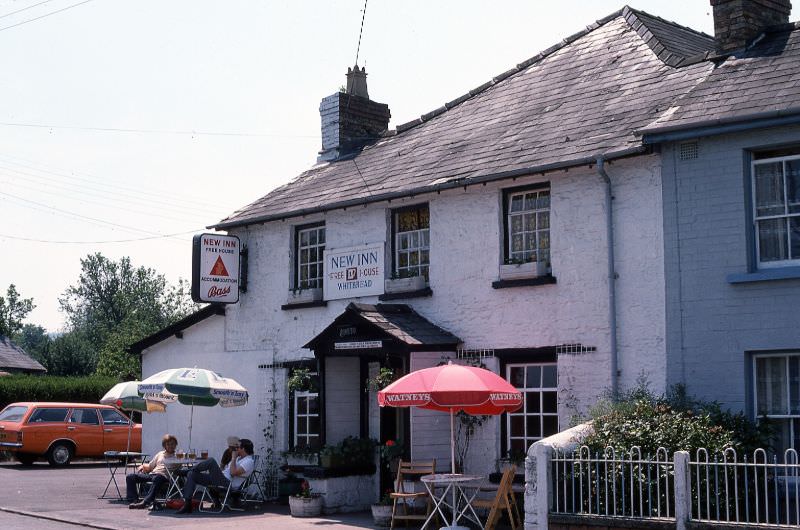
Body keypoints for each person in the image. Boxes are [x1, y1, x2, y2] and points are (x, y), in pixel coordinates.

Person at [176, 438, 255, 514]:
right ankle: (187, 504)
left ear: (243, 449)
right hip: (220, 479)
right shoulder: (239, 459)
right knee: (192, 474)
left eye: (238, 447)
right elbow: (226, 470)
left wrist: (233, 458)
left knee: (211, 461)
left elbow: (233, 473)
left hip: (228, 484)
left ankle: (188, 470)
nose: (236, 449)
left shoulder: (249, 461)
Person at [126, 434, 180, 509]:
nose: (171, 446)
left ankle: (145, 502)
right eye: (168, 444)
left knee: (157, 478)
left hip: (165, 477)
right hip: (153, 474)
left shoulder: (179, 456)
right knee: (130, 477)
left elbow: (183, 465)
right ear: (164, 445)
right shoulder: (160, 454)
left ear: (176, 445)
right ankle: (133, 500)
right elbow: (150, 466)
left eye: (173, 444)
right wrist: (143, 466)